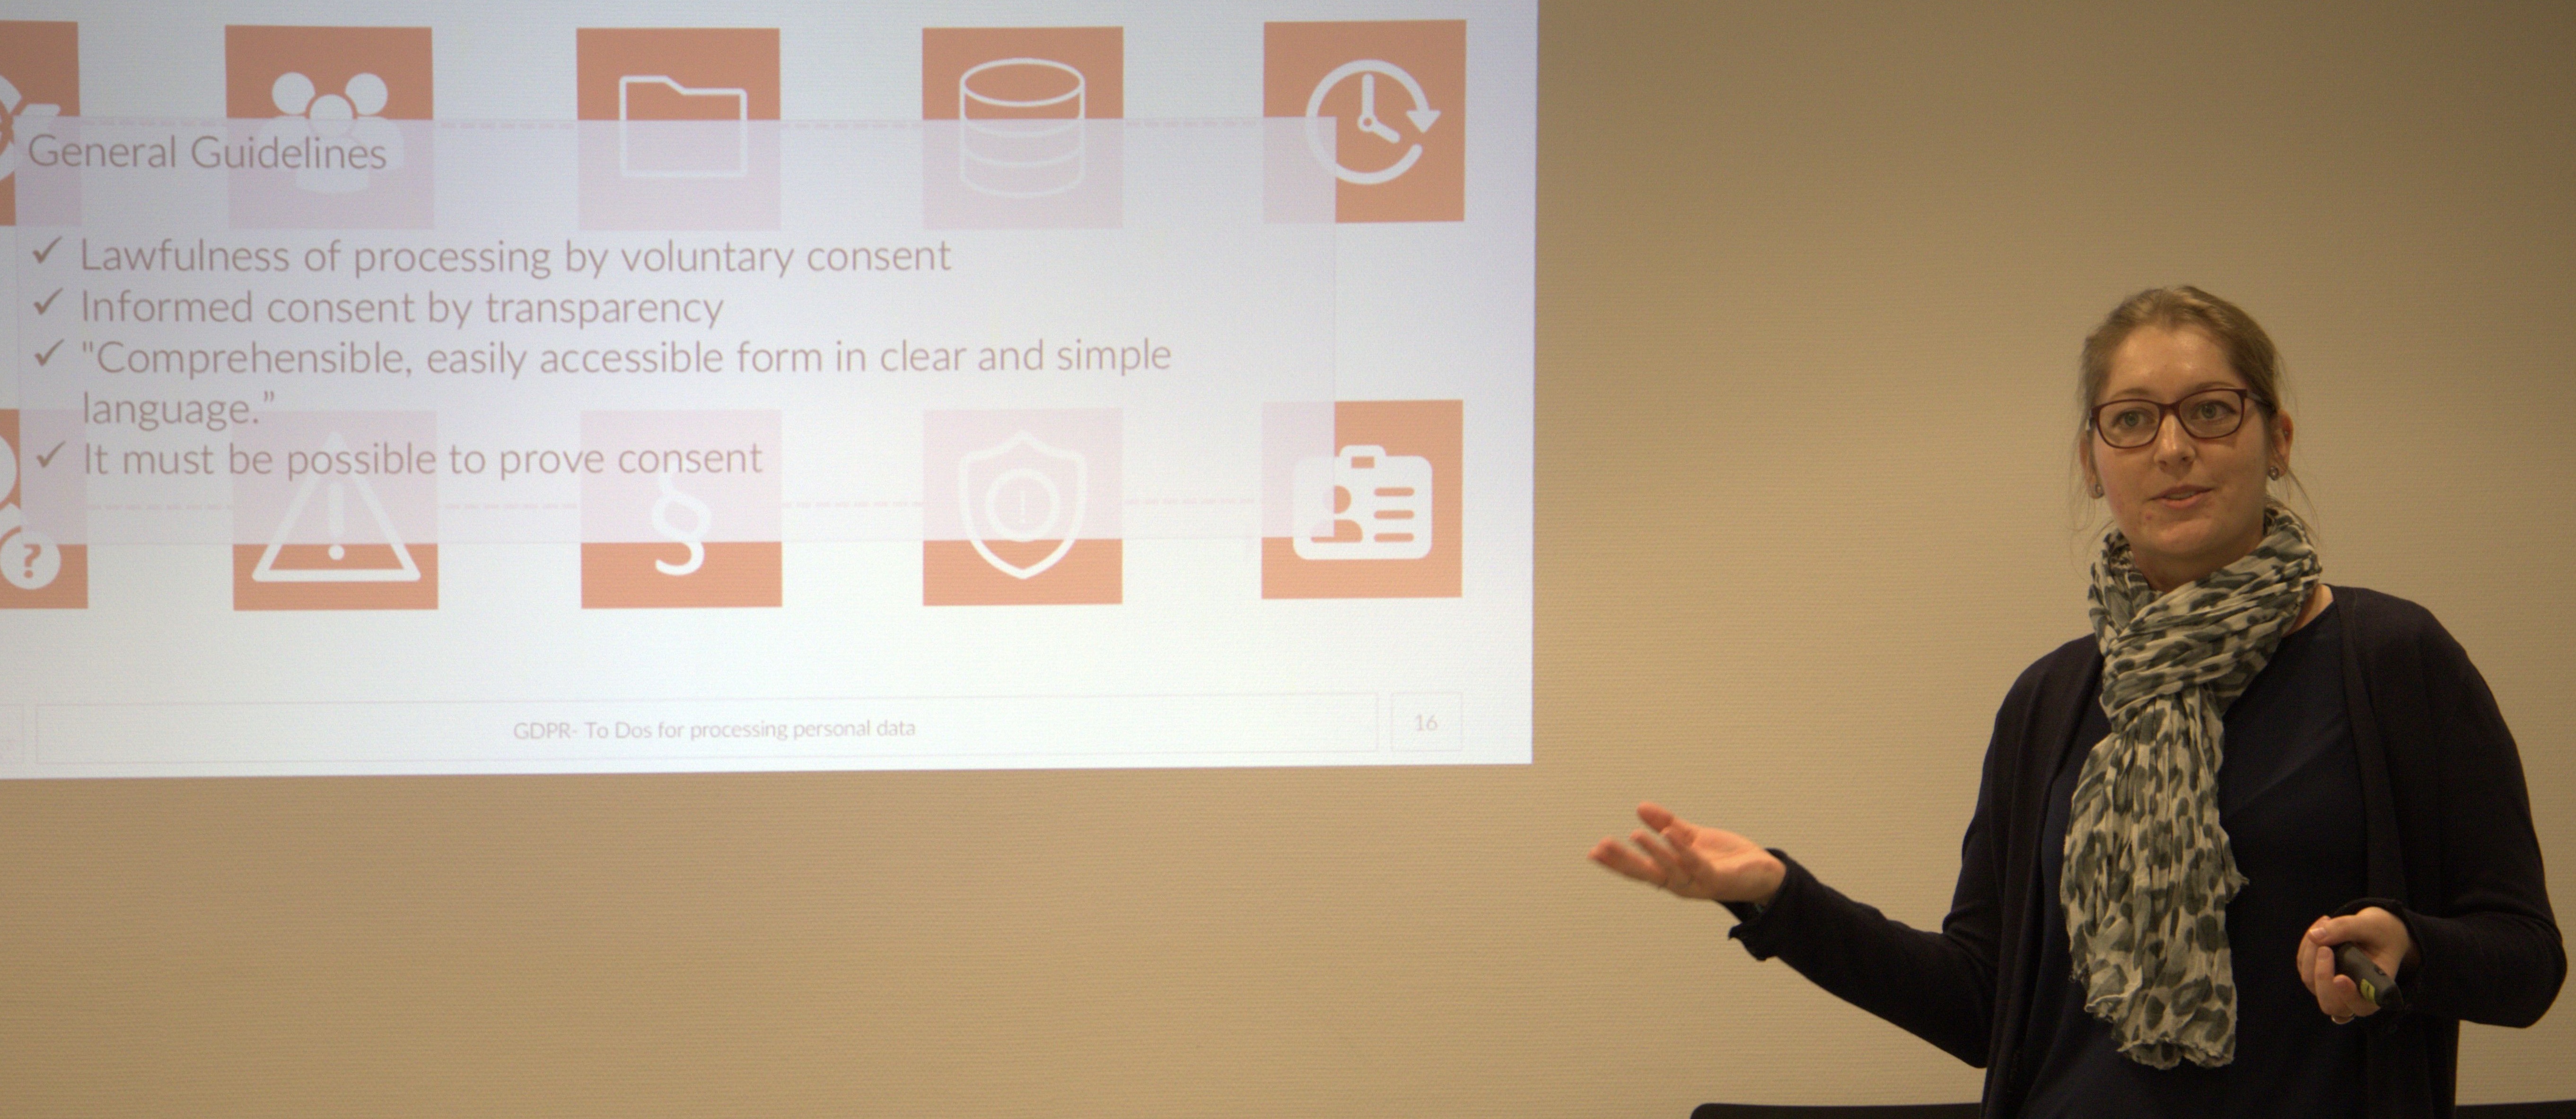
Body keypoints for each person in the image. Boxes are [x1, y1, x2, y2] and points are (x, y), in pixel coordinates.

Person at [1590, 287, 2562, 1119]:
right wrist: (1777, 896)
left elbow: (2524, 962)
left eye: (2210, 411)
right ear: (2092, 462)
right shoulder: (2051, 699)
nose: (2171, 447)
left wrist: (2408, 951)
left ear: (2276, 440)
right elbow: (1983, 1002)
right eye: (2131, 419)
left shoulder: (2390, 659)